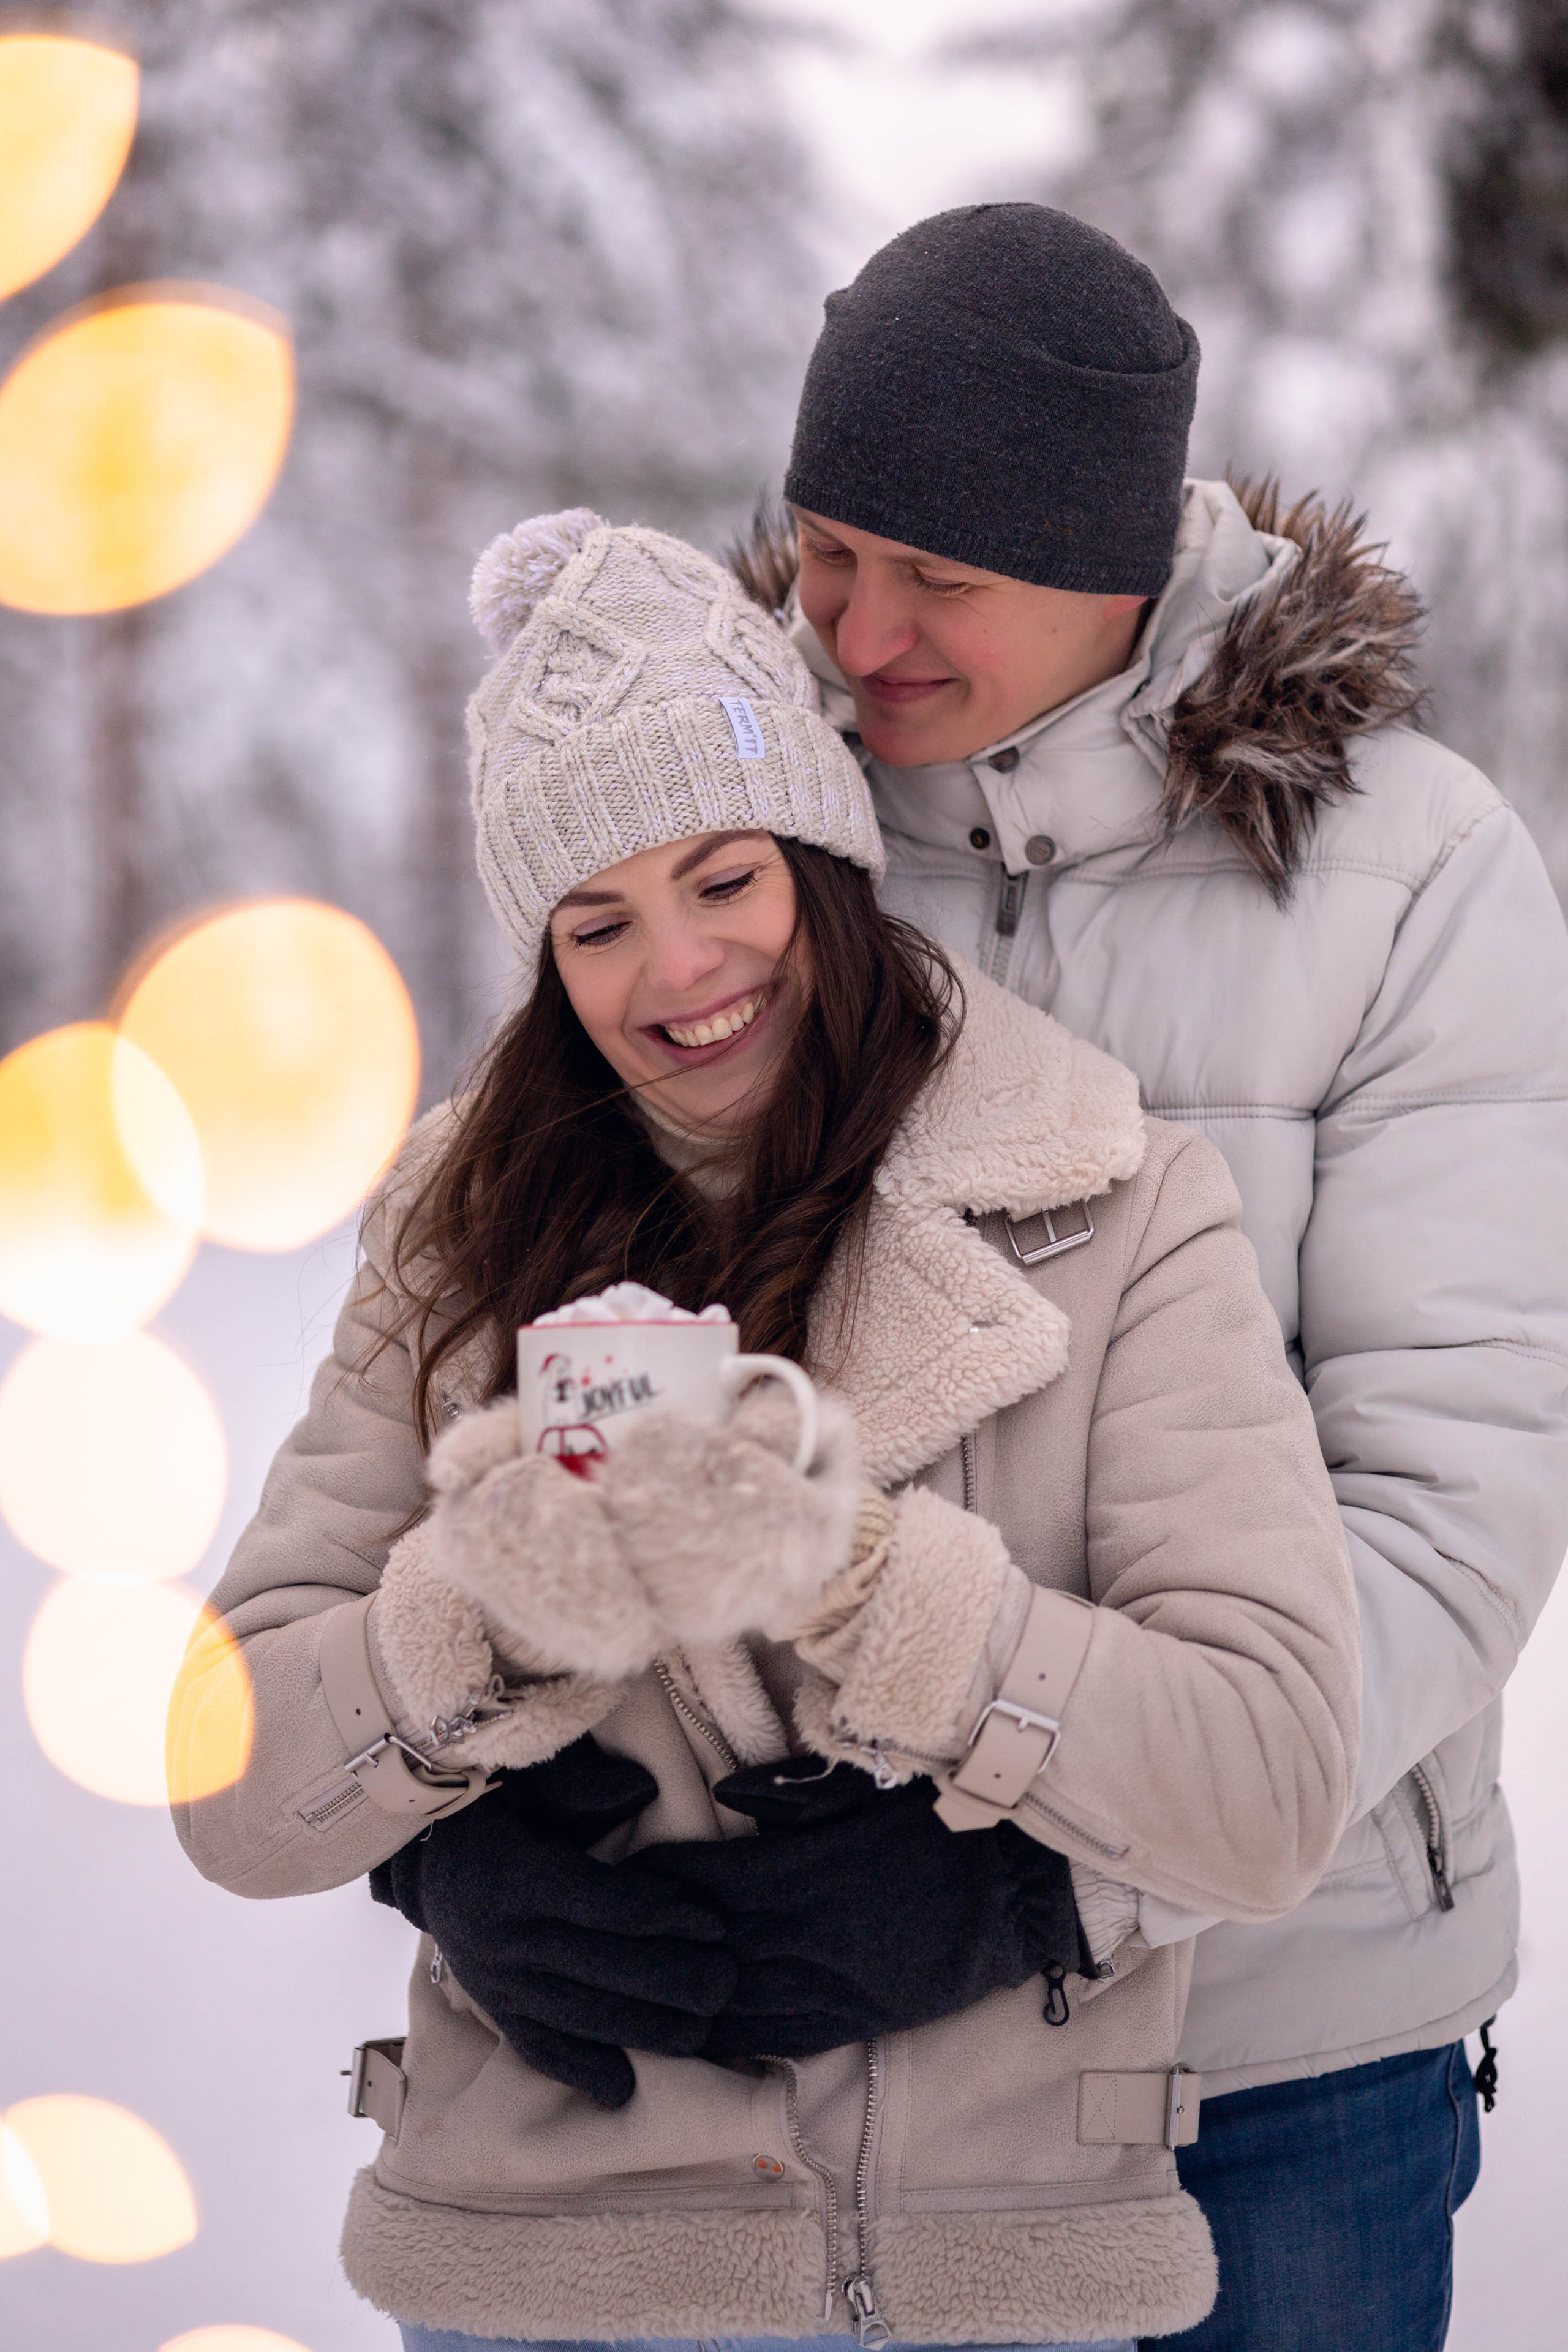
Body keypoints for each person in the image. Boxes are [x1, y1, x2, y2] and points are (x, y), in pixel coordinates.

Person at [171, 511, 1360, 2352]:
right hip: (529, 2269)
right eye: (598, 923)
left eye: (724, 879)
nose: (678, 972)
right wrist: (481, 1628)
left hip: (969, 2275)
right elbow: (224, 1784)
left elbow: (1272, 1785)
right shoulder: (455, 1238)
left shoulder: (1120, 1212)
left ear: (820, 856)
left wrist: (868, 1583)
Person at [730, 200, 1568, 2352]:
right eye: (828, 549)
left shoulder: (1409, 873)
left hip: (1273, 2058)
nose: (858, 633)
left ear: (1120, 572)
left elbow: (1449, 1498)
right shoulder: (736, 854)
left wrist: (1055, 1873)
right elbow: (569, 1367)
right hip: (802, 2032)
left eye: (944, 578)